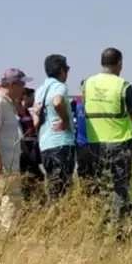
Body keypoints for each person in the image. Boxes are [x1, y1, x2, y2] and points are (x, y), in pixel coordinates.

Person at [82, 47, 132, 224]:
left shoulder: (87, 83)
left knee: (97, 184)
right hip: (119, 141)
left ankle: (96, 221)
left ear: (102, 63)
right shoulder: (123, 86)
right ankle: (115, 226)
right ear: (119, 63)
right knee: (120, 186)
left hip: (94, 141)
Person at [0, 68, 30, 233]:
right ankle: (7, 237)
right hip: (2, 163)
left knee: (4, 200)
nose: (24, 88)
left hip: (8, 161)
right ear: (13, 85)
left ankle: (1, 235)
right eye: (22, 84)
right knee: (10, 201)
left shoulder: (6, 102)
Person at [31, 54, 75, 200]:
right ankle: (62, 218)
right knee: (64, 186)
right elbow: (57, 102)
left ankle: (53, 216)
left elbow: (36, 120)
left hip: (45, 144)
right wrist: (65, 120)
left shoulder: (40, 90)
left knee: (52, 185)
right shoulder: (59, 86)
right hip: (61, 143)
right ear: (62, 70)